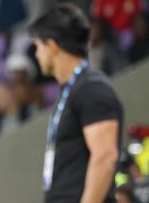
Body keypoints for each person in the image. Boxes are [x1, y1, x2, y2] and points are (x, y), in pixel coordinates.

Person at [29, 3, 123, 203]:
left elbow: (105, 157)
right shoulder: (72, 90)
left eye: (38, 46)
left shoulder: (92, 89)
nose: (37, 54)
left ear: (52, 46)